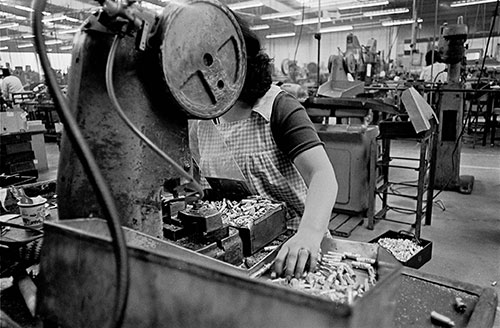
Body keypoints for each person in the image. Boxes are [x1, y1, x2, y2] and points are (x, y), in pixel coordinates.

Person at [189, 13, 338, 278]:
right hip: (237, 250)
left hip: (294, 248)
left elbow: (323, 176)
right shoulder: (202, 117)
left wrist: (309, 233)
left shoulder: (278, 109)